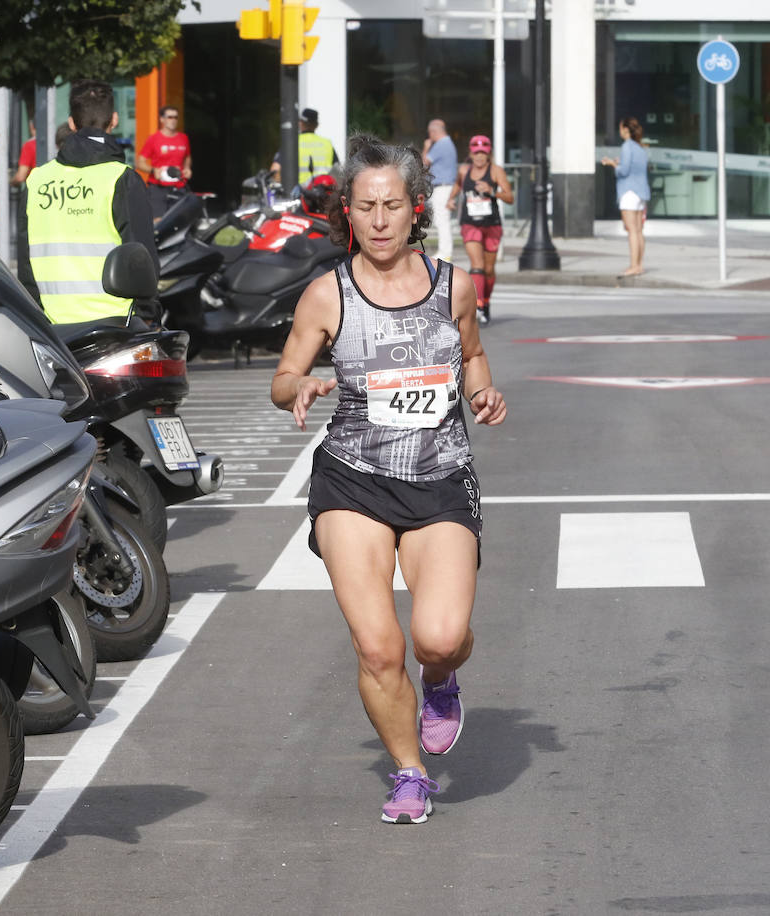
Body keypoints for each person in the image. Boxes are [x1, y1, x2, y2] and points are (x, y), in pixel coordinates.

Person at [270, 133, 507, 825]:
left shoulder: (451, 286)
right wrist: (300, 389)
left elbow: (472, 356)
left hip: (439, 478)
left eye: (392, 206)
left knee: (437, 636)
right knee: (378, 645)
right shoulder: (326, 294)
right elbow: (281, 378)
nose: (378, 221)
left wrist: (484, 394)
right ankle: (409, 773)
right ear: (349, 210)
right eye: (366, 206)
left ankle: (441, 679)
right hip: (354, 478)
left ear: (414, 211)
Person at [25, 79, 159, 325]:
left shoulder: (37, 180)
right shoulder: (121, 179)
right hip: (116, 324)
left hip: (54, 327)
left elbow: (26, 263)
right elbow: (142, 257)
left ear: (72, 123)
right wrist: (148, 316)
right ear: (114, 119)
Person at [448, 134, 513, 325]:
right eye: (476, 153)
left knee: (488, 269)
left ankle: (486, 301)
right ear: (470, 153)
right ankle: (477, 306)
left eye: (483, 153)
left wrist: (492, 191)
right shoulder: (463, 170)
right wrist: (451, 200)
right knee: (477, 266)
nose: (479, 157)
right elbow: (458, 186)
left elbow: (510, 197)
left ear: (488, 154)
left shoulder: (496, 172)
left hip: (492, 224)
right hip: (470, 223)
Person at [600, 116, 650, 277]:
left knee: (632, 231)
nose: (619, 131)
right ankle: (639, 265)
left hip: (629, 192)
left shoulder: (627, 146)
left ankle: (634, 265)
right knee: (639, 230)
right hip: (641, 192)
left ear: (625, 130)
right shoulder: (640, 148)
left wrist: (612, 164)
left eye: (621, 128)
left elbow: (624, 171)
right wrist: (620, 162)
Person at [137, 105, 192, 206]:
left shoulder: (184, 138)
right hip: (158, 187)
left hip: (179, 187)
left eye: (176, 117)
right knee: (159, 221)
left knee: (180, 220)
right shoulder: (153, 139)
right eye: (170, 117)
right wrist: (154, 170)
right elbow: (140, 162)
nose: (173, 120)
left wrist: (187, 168)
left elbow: (187, 156)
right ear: (162, 119)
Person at [269, 108, 339, 187]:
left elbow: (275, 170)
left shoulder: (292, 143)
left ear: (300, 123)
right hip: (323, 193)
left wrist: (283, 186)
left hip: (299, 193)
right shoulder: (327, 143)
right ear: (316, 125)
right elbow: (337, 172)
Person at [422, 119, 458, 262]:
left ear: (433, 132)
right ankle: (445, 251)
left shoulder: (441, 145)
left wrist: (426, 147)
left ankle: (445, 252)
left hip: (442, 187)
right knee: (442, 220)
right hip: (445, 186)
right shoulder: (448, 143)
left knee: (441, 220)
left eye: (429, 133)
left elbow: (424, 162)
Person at [12, 120, 37, 188]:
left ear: (32, 127)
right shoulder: (55, 142)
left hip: (35, 188)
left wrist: (11, 181)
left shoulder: (29, 145)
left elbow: (21, 176)